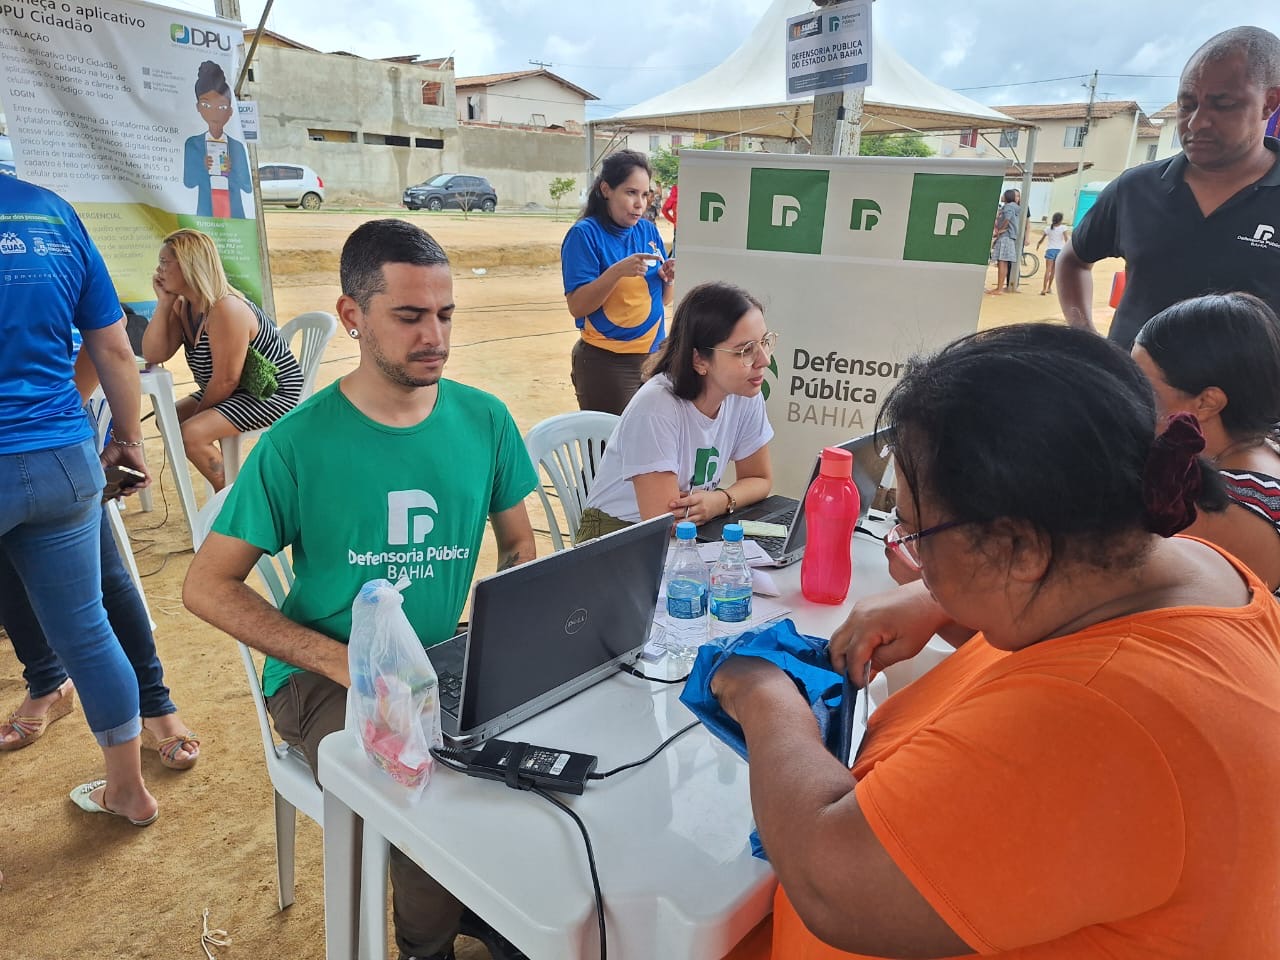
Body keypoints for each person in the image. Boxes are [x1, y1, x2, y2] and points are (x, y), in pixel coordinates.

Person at [714, 323, 1280, 960]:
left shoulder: (1102, 720)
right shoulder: (1190, 569)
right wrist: (937, 602)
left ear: (1019, 548)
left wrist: (764, 694)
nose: (913, 556)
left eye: (915, 533)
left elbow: (831, 883)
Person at [184, 219, 538, 960]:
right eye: (409, 316)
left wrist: (499, 634)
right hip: (323, 675)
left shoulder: (486, 420)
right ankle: (425, 945)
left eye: (444, 314)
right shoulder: (298, 442)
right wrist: (340, 662)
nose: (434, 336)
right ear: (353, 315)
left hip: (442, 656)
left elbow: (518, 544)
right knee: (418, 786)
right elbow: (206, 587)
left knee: (539, 760)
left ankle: (490, 908)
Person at [0, 175, 160, 826]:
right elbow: (114, 346)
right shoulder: (51, 214)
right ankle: (129, 791)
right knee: (89, 633)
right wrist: (129, 439)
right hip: (65, 459)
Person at [0, 351, 199, 766]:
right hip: (47, 430)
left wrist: (45, 414)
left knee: (102, 574)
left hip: (52, 430)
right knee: (5, 568)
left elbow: (108, 344)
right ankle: (47, 681)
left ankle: (154, 703)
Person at [1058, 26, 1280, 349]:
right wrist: (1087, 337)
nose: (1197, 122)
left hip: (1250, 384)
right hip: (1131, 381)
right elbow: (1073, 260)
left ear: (1269, 103)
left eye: (1222, 105)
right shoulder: (1135, 189)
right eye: (1187, 105)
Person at [576, 282, 776, 542]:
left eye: (764, 342)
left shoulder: (745, 392)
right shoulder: (656, 408)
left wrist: (721, 500)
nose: (764, 360)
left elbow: (759, 478)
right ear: (699, 360)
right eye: (745, 350)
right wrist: (716, 504)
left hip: (685, 534)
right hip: (618, 537)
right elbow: (667, 522)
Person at [1133, 292, 1280, 591]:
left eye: (1146, 390)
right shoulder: (1265, 442)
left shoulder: (1218, 512)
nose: (1130, 398)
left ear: (1207, 403)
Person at [141, 228, 303, 490]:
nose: (158, 270)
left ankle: (234, 497)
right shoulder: (185, 306)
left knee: (190, 433)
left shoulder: (226, 309)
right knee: (167, 420)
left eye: (164, 262)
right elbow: (154, 354)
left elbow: (227, 380)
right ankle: (232, 490)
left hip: (269, 394)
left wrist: (198, 418)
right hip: (234, 390)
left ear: (189, 265)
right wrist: (164, 304)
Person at [562, 149, 676, 415]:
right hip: (608, 364)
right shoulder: (584, 235)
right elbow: (577, 306)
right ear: (606, 189)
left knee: (650, 438)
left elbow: (662, 300)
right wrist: (616, 272)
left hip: (653, 358)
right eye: (631, 192)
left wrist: (668, 278)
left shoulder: (647, 230)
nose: (640, 204)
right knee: (612, 440)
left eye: (645, 194)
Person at [183, 60, 252, 219]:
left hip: (234, 214)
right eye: (206, 105)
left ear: (230, 111)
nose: (214, 113)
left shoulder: (237, 146)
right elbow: (189, 183)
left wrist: (234, 169)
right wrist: (202, 167)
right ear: (198, 107)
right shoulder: (193, 144)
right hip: (205, 214)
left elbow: (248, 187)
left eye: (221, 107)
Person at [986, 189, 1020, 295]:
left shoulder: (1008, 207)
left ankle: (999, 288)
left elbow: (1007, 219)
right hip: (1010, 237)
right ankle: (1000, 287)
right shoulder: (1015, 207)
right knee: (1004, 262)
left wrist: (1001, 230)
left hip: (1005, 236)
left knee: (1001, 262)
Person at [1036, 211, 1069, 295]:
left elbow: (1042, 239)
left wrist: (1038, 244)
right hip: (1060, 251)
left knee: (1048, 270)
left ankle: (1044, 288)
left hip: (1050, 250)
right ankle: (1049, 288)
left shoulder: (1048, 228)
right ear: (1060, 220)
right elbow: (1066, 239)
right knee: (1053, 271)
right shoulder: (1063, 228)